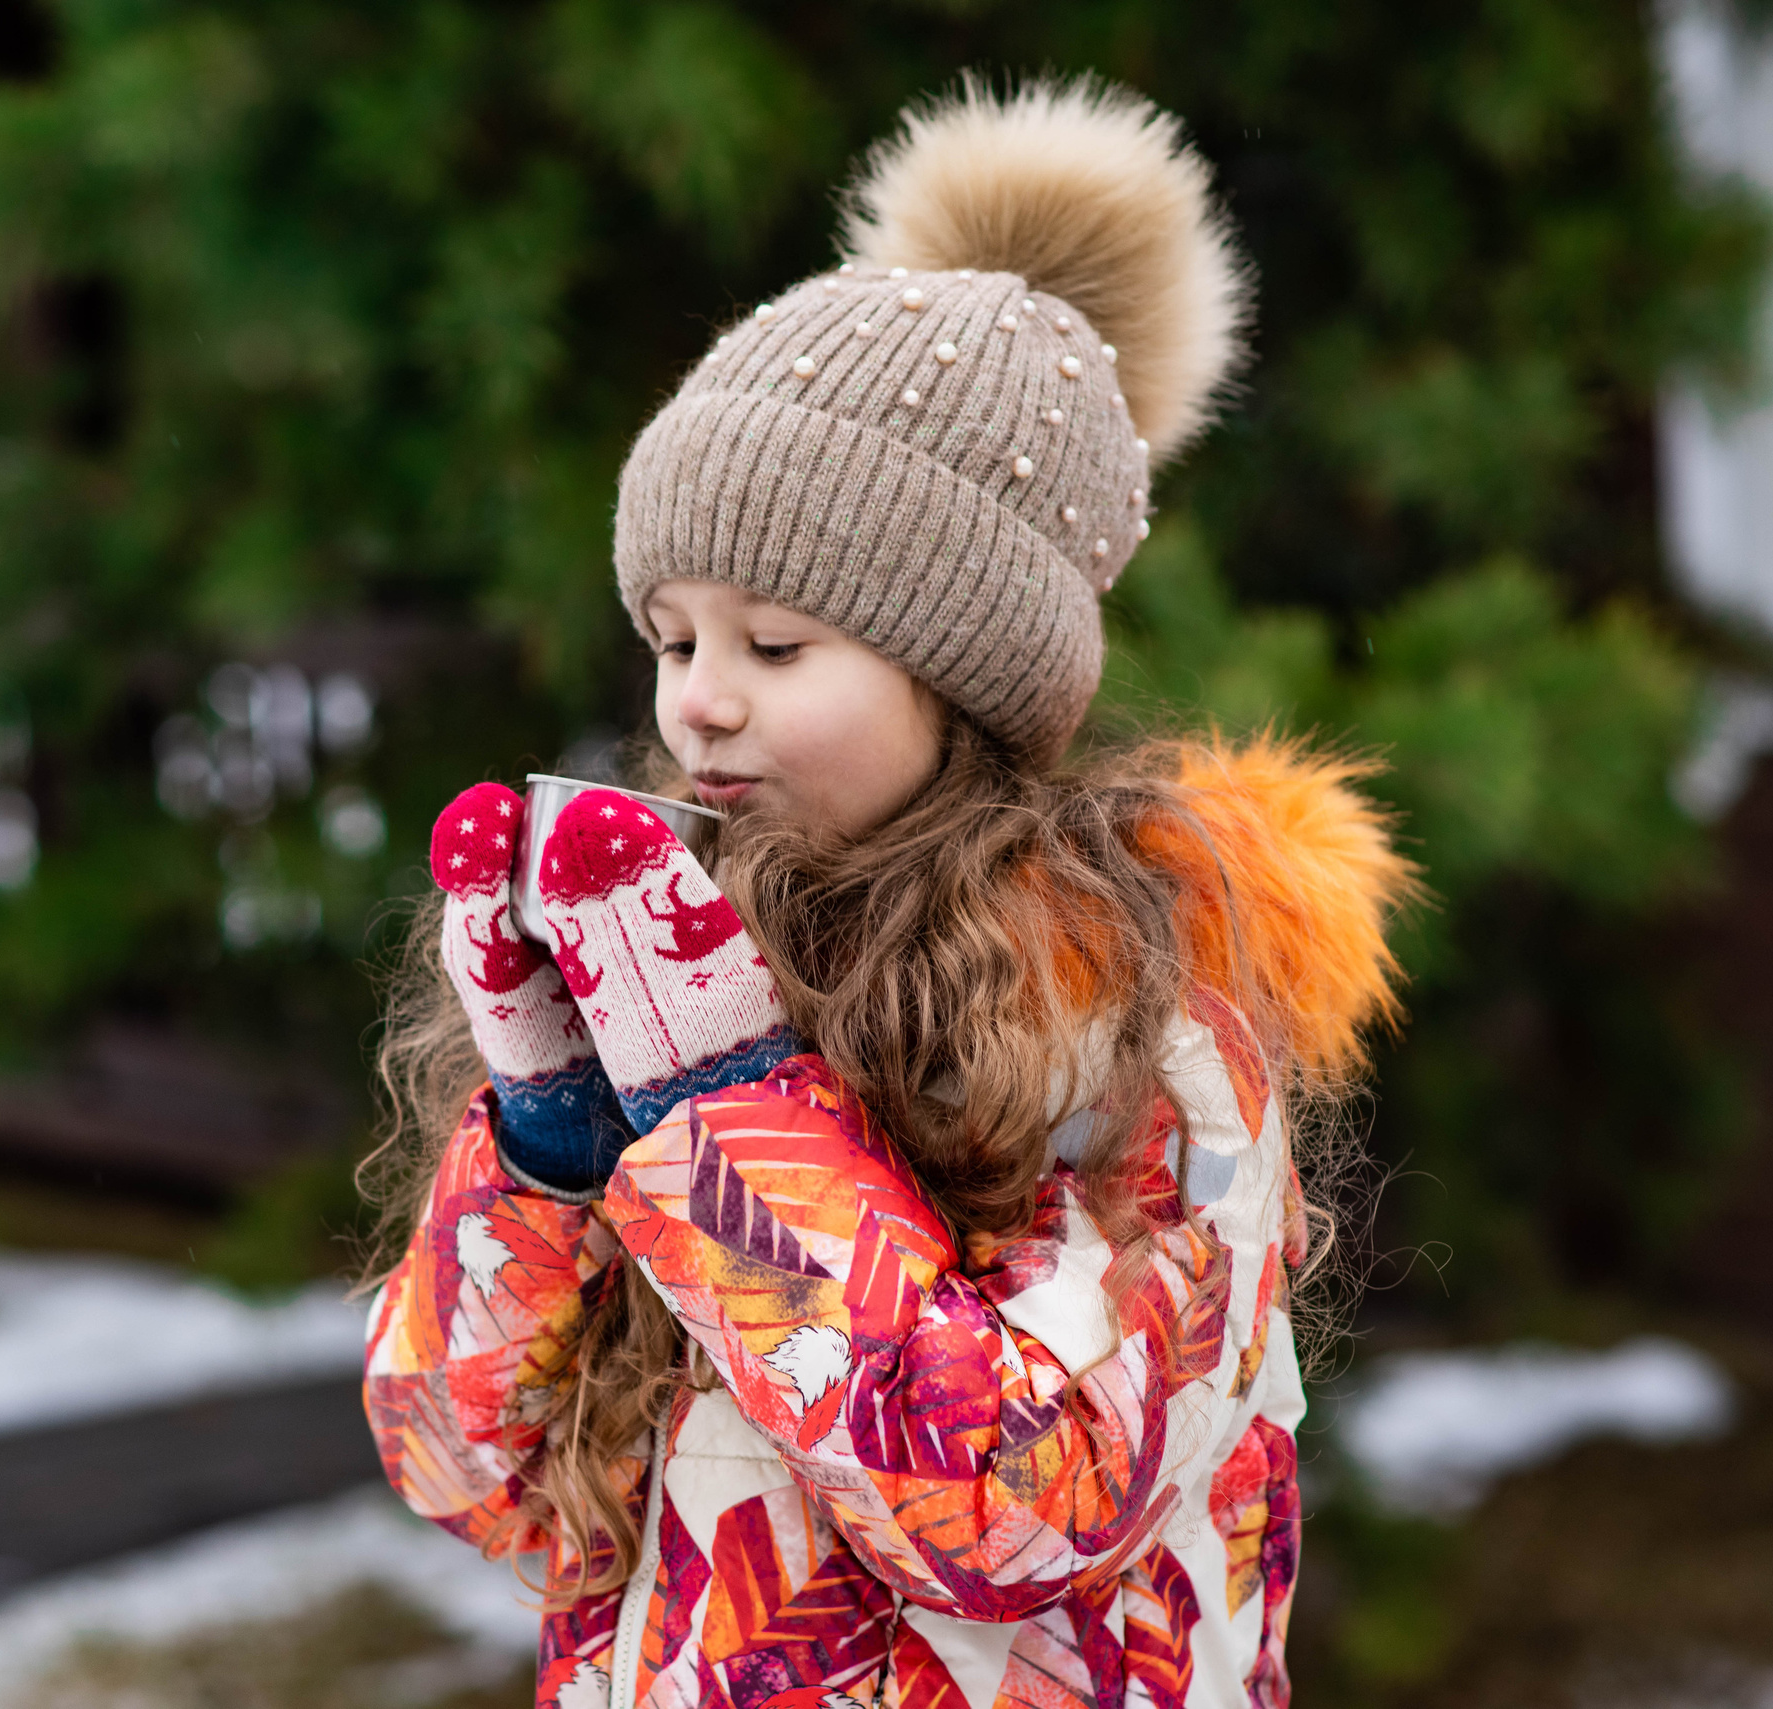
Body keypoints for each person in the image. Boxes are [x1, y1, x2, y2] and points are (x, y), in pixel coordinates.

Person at [362, 76, 1415, 1709]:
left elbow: (1018, 1507)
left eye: (778, 646)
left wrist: (728, 1120)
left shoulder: (1136, 1026)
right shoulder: (688, 958)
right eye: (675, 637)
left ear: (967, 672)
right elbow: (467, 1473)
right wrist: (551, 1138)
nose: (700, 699)